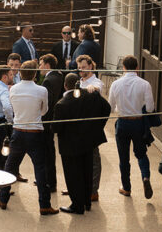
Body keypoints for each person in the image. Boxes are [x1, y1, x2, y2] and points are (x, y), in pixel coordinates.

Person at [0, 60, 58, 215]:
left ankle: (3, 199)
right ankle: (44, 204)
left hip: (18, 130)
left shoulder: (13, 89)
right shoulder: (41, 90)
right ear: (35, 74)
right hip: (35, 132)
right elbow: (44, 111)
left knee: (10, 166)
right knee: (40, 169)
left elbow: (12, 106)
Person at [52, 73, 110, 214]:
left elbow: (56, 128)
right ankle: (87, 202)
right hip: (88, 142)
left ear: (65, 85)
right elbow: (107, 108)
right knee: (87, 171)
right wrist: (97, 127)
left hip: (70, 145)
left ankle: (77, 205)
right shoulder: (91, 95)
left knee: (73, 175)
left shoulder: (62, 104)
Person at [108, 55, 155, 199]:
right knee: (141, 153)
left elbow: (110, 107)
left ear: (123, 67)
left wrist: (119, 108)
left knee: (124, 157)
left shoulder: (116, 84)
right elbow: (150, 108)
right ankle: (145, 177)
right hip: (138, 122)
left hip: (122, 122)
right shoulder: (144, 84)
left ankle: (126, 188)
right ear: (137, 67)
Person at [76, 55, 105, 201]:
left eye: (84, 67)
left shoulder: (96, 82)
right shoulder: (78, 82)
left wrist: (91, 88)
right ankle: (78, 187)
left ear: (91, 66)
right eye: (80, 67)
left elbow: (97, 88)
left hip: (91, 128)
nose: (81, 70)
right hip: (78, 128)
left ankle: (93, 191)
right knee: (79, 159)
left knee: (94, 160)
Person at [38, 54, 64, 192]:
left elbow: (46, 103)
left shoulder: (48, 80)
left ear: (47, 65)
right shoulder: (59, 76)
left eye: (41, 64)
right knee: (49, 151)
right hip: (53, 119)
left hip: (47, 121)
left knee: (47, 152)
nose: (39, 67)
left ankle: (49, 181)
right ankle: (49, 180)